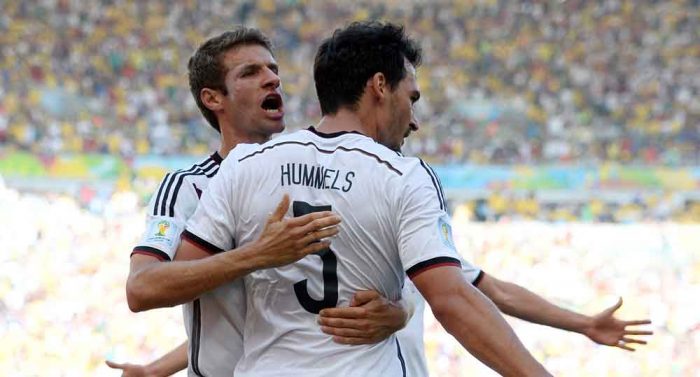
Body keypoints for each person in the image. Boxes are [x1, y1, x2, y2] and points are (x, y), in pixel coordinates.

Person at [176, 21, 553, 376]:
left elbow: (173, 279)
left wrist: (402, 309)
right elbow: (452, 300)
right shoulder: (404, 176)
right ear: (379, 86)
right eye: (411, 97)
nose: (414, 118)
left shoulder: (245, 164)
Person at [107, 27, 409, 377]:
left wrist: (400, 313)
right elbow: (142, 288)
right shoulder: (188, 186)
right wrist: (256, 255)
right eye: (251, 73)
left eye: (274, 70)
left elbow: (277, 316)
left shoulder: (309, 175)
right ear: (213, 98)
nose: (272, 80)